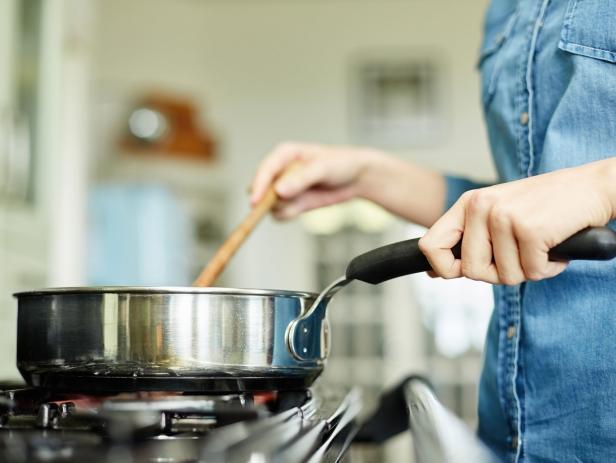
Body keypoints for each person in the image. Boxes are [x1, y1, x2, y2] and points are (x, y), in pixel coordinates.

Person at [250, 1, 616, 462]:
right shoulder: (506, 11)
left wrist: (604, 185)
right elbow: (521, 211)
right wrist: (367, 175)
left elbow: (582, 196)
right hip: (514, 433)